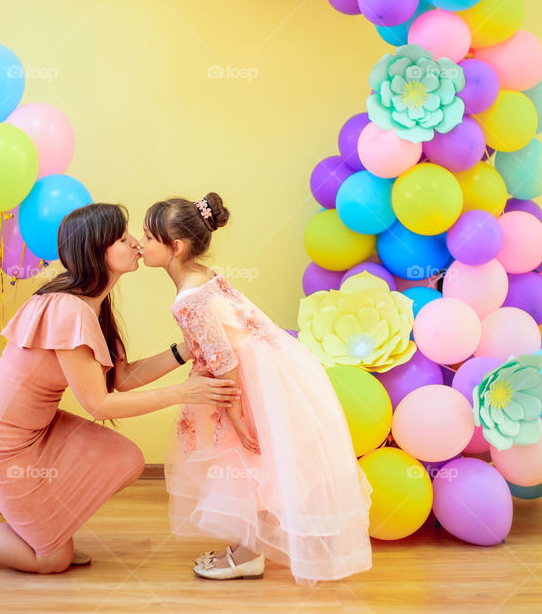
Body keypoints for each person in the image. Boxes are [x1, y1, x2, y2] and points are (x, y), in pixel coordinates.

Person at [0, 203, 239, 574]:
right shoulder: (69, 310)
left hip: (38, 429)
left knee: (125, 458)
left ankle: (45, 529)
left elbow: (121, 379)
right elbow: (101, 405)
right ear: (97, 251)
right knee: (51, 561)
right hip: (0, 442)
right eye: (123, 238)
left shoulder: (93, 305)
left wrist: (184, 350)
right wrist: (182, 393)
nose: (135, 243)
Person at [139, 193, 373, 584]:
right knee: (257, 464)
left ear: (174, 247)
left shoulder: (187, 300)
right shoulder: (206, 277)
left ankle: (249, 555)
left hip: (243, 379)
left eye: (148, 238)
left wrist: (234, 413)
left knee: (247, 460)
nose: (140, 244)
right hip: (272, 363)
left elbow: (223, 360)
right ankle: (248, 548)